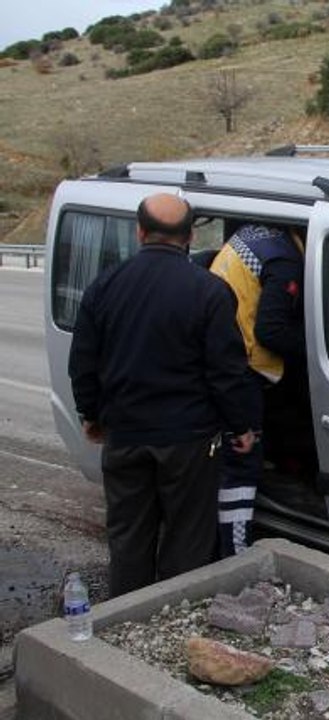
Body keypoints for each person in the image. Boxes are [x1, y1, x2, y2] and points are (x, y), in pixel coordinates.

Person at [68, 194, 259, 597]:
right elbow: (226, 372)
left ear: (139, 232)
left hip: (125, 436)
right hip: (188, 441)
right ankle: (173, 614)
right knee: (188, 536)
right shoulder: (210, 291)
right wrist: (240, 426)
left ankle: (125, 619)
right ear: (191, 235)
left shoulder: (103, 286)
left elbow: (83, 362)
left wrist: (91, 415)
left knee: (128, 536)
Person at [210, 223, 309, 556]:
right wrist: (320, 350)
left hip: (219, 350)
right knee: (241, 464)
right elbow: (272, 330)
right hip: (243, 367)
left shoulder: (258, 235)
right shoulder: (285, 261)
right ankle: (235, 554)